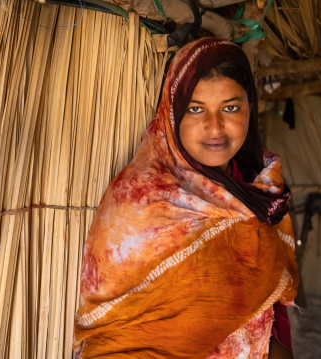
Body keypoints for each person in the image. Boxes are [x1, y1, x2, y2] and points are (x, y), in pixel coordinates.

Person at [73, 37, 299, 358]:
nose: (215, 127)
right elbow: (118, 339)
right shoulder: (141, 199)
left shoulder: (260, 185)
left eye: (231, 107)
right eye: (195, 109)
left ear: (251, 106)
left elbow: (269, 305)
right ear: (174, 112)